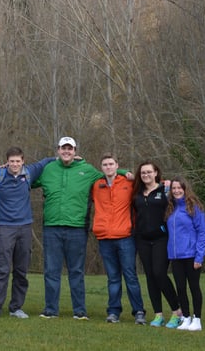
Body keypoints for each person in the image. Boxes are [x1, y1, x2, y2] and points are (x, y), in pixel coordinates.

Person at [34, 136, 129, 320]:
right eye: (63, 148)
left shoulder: (87, 171)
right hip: (51, 227)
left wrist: (126, 172)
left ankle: (79, 311)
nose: (67, 152)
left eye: (70, 149)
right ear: (58, 150)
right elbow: (26, 178)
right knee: (51, 271)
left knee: (76, 271)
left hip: (77, 228)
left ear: (75, 151)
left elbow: (109, 174)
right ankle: (51, 310)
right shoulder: (48, 169)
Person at [0, 147, 54, 319]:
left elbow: (47, 160)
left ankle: (16, 308)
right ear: (7, 161)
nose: (15, 164)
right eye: (12, 161)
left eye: (18, 161)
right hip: (5, 228)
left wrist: (72, 158)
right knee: (2, 269)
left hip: (25, 228)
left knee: (21, 271)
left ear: (23, 161)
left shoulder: (30, 172)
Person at [91, 153, 146, 324]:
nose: (108, 167)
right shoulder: (96, 185)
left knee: (130, 276)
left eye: (111, 164)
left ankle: (138, 312)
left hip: (125, 237)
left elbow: (149, 182)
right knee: (113, 278)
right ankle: (114, 311)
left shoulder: (128, 183)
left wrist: (166, 184)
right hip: (104, 238)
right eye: (105, 164)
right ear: (101, 168)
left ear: (117, 165)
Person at [132, 160, 183, 328]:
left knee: (159, 273)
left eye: (149, 172)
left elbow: (180, 201)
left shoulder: (166, 190)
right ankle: (158, 315)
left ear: (156, 173)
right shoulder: (137, 192)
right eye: (143, 172)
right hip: (142, 239)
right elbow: (115, 172)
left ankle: (177, 312)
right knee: (150, 277)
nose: (146, 175)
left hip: (161, 238)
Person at [166, 177, 205, 332]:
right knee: (180, 288)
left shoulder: (194, 207)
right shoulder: (171, 208)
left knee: (194, 287)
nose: (176, 191)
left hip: (191, 255)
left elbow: (202, 233)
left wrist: (199, 256)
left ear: (185, 189)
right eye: (174, 188)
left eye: (179, 188)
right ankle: (186, 317)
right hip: (175, 256)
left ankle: (197, 319)